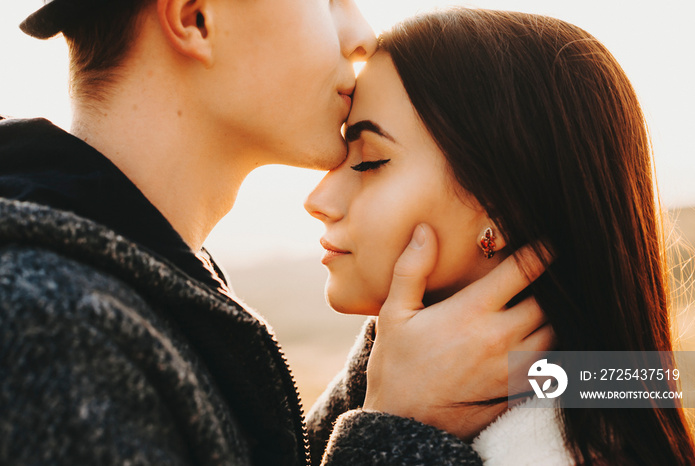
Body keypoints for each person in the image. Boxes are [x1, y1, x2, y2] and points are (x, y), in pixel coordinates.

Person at [0, 1, 553, 464]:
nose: (361, 35)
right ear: (196, 18)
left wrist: (402, 368)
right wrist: (396, 429)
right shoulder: (45, 324)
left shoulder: (134, 288)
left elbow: (626, 382)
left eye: (372, 162)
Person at [304, 8, 695, 466]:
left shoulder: (554, 454)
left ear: (504, 216)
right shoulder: (592, 391)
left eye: (369, 161)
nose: (319, 197)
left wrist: (392, 432)